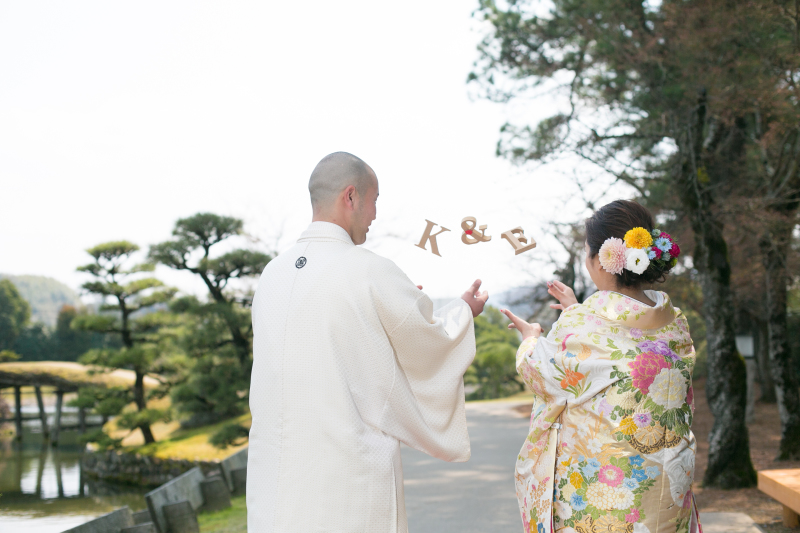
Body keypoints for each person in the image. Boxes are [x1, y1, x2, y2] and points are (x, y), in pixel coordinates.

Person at [247, 151, 488, 532]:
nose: (375, 214)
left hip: (275, 483)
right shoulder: (369, 270)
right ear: (351, 196)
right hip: (347, 475)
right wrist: (463, 311)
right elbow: (428, 340)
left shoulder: (271, 276)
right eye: (374, 200)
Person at [502, 200, 701, 533]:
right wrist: (575, 310)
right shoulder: (674, 321)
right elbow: (618, 346)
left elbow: (542, 372)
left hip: (610, 493)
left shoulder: (583, 323)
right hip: (666, 488)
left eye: (586, 251)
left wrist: (531, 338)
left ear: (602, 259)